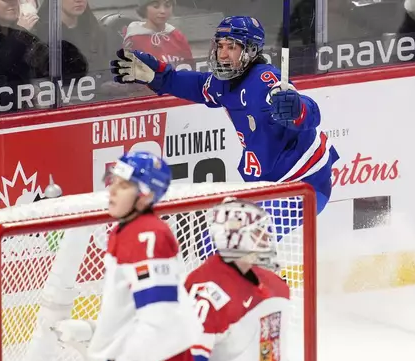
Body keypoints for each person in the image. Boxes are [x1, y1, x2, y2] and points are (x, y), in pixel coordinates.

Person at [110, 16, 339, 216]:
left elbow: (309, 113)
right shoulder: (225, 82)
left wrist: (296, 109)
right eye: (220, 46)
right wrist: (159, 76)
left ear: (249, 50)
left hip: (303, 184)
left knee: (244, 243)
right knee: (217, 243)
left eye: (231, 47)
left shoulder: (264, 80)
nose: (223, 54)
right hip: (270, 187)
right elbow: (196, 85)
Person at [88, 151, 203, 361]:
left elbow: (160, 314)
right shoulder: (130, 229)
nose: (112, 191)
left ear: (145, 195)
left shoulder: (146, 235)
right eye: (113, 182)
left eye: (124, 185)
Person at [184, 197, 324, 361]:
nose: (267, 238)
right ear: (236, 237)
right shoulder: (207, 292)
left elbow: (269, 357)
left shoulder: (275, 286)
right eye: (259, 231)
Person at [123, 0, 194, 69]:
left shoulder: (177, 36)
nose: (163, 11)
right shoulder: (134, 41)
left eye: (167, 5)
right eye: (156, 6)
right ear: (144, 8)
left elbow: (190, 67)